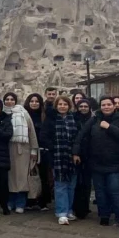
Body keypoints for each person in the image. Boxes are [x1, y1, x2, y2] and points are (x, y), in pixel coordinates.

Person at [75, 96, 119, 230]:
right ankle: (104, 216)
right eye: (103, 105)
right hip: (96, 162)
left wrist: (109, 127)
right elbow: (81, 135)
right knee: (100, 192)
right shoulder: (94, 119)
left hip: (114, 163)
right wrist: (76, 152)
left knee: (115, 191)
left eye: (109, 104)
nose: (106, 107)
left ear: (114, 106)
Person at [41, 96, 78, 225]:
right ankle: (61, 212)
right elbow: (43, 136)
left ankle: (69, 210)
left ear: (69, 106)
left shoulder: (74, 118)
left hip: (72, 156)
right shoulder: (51, 119)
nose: (62, 106)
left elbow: (78, 136)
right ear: (56, 106)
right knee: (60, 185)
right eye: (60, 104)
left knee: (71, 185)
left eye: (65, 104)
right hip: (57, 156)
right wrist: (53, 147)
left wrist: (76, 151)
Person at [3, 93, 38, 213]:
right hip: (7, 148)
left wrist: (34, 150)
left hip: (23, 149)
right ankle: (10, 201)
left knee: (22, 177)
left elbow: (31, 132)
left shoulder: (24, 113)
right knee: (10, 177)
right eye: (7, 99)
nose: (9, 101)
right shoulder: (2, 114)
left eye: (12, 99)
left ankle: (20, 203)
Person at [24, 93, 51, 211]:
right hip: (27, 149)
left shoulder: (44, 116)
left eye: (36, 101)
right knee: (29, 175)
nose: (34, 103)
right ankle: (29, 201)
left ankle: (43, 201)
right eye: (32, 101)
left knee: (43, 176)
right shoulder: (24, 115)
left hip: (43, 150)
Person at [72, 98, 94, 219]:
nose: (83, 108)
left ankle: (84, 208)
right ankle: (76, 207)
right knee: (77, 182)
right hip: (77, 153)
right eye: (81, 106)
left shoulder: (94, 119)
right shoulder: (73, 118)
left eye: (86, 106)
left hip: (90, 153)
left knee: (86, 182)